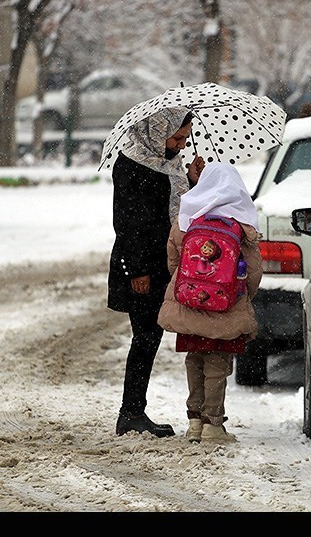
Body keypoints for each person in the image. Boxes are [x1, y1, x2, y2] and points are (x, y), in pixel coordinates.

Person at [108, 106, 205, 438]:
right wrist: (137, 269)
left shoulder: (169, 165)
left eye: (185, 138)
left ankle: (134, 411)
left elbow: (176, 212)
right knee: (145, 337)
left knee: (150, 336)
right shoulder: (131, 164)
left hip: (163, 263)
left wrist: (191, 182)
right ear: (157, 130)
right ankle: (131, 413)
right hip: (141, 267)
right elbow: (127, 221)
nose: (180, 145)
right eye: (177, 137)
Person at [157, 162, 263, 443]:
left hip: (191, 303)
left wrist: (193, 287)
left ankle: (194, 421)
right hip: (226, 306)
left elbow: (172, 263)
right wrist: (239, 294)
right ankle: (213, 424)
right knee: (217, 363)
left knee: (195, 359)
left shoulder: (186, 220)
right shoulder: (242, 226)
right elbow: (253, 271)